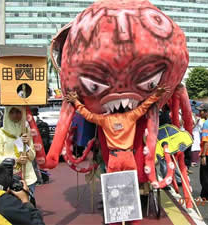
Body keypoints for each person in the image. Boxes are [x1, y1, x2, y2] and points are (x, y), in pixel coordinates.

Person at [66, 86, 166, 225]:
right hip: (129, 157)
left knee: (113, 189)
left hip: (114, 158)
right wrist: (157, 94)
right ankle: (134, 221)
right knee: (131, 189)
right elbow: (145, 106)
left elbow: (87, 114)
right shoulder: (131, 116)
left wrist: (76, 101)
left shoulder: (104, 120)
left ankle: (115, 221)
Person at [0, 106, 37, 194]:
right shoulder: (0, 134)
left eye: (18, 112)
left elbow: (32, 157)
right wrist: (16, 161)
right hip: (9, 179)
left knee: (29, 205)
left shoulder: (26, 131)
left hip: (28, 177)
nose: (15, 115)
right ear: (7, 114)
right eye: (12, 112)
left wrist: (27, 145)